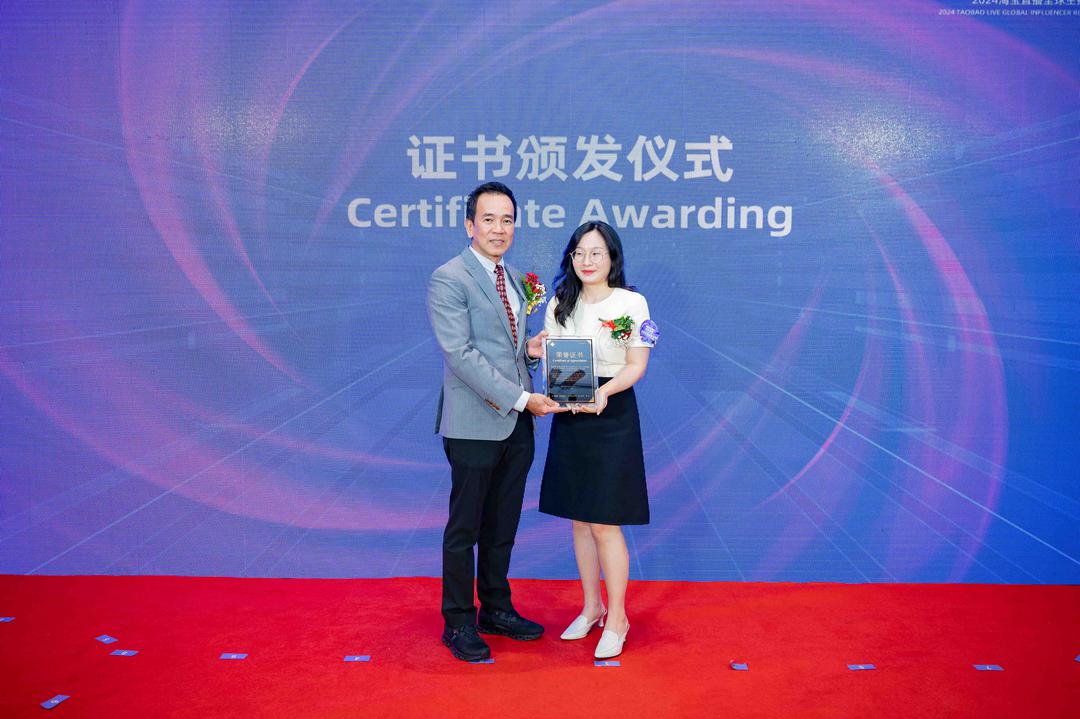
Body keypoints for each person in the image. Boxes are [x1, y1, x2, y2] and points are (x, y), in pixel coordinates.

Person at [427, 181, 566, 662]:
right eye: (488, 219)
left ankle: (496, 609)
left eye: (507, 220)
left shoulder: (514, 278)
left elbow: (505, 350)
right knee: (464, 529)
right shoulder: (450, 278)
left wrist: (531, 351)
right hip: (474, 424)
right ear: (470, 225)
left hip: (516, 425)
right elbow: (461, 355)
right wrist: (523, 398)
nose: (498, 229)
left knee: (502, 525)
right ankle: (458, 621)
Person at [539, 220, 658, 660]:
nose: (587, 261)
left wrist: (605, 392)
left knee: (605, 521)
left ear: (612, 258)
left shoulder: (632, 302)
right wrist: (559, 391)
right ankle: (592, 608)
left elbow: (637, 364)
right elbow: (554, 362)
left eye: (597, 253)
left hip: (613, 414)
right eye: (580, 253)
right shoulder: (560, 303)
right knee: (579, 520)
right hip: (571, 414)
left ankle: (619, 617)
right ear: (570, 258)